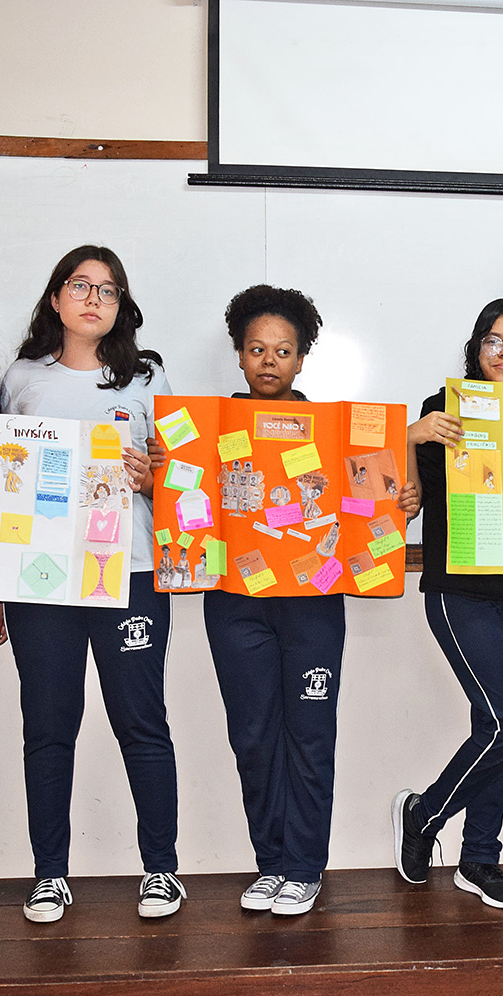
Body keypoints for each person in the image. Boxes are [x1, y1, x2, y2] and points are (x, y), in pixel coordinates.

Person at [1, 245, 183, 924]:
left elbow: (183, 474)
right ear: (55, 298)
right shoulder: (21, 377)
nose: (93, 299)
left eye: (108, 290)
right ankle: (50, 875)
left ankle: (161, 870)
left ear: (121, 305)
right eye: (80, 286)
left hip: (130, 572)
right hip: (42, 578)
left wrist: (153, 479)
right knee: (48, 729)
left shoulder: (148, 377)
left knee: (142, 723)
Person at [393, 299, 503, 909]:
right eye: (493, 340)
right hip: (459, 593)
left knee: (494, 728)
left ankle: (479, 857)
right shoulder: (444, 408)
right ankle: (425, 815)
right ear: (476, 349)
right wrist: (410, 435)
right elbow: (405, 501)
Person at [206, 285, 341, 917]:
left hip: (313, 602)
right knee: (253, 736)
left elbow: (371, 494)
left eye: (283, 351)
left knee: (310, 735)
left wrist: (399, 493)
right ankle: (271, 863)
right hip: (236, 602)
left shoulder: (334, 433)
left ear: (301, 359)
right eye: (256, 349)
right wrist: (161, 477)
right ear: (238, 355)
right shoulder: (208, 428)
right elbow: (186, 500)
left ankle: (305, 867)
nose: (269, 361)